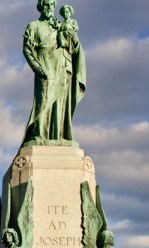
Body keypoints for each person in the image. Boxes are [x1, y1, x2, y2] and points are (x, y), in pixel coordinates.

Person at [22, 0, 86, 143]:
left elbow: (73, 48)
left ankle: (60, 135)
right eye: (46, 4)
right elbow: (27, 48)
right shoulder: (34, 26)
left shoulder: (60, 26)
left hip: (63, 67)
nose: (49, 7)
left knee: (62, 102)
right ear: (40, 7)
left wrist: (73, 39)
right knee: (43, 101)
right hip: (44, 67)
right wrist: (36, 66)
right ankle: (39, 134)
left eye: (52, 4)